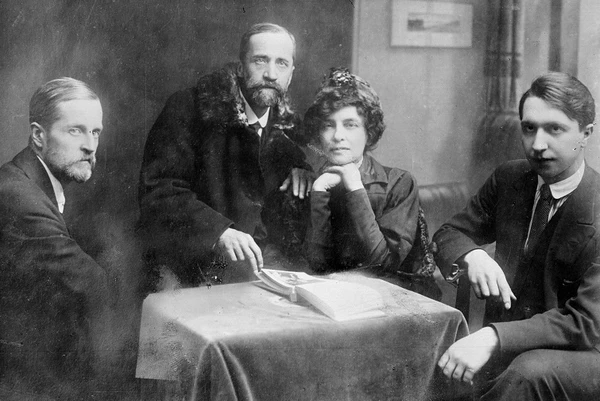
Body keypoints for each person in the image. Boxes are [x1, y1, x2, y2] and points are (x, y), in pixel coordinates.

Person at [435, 72, 600, 400]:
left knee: (526, 373)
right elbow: (448, 233)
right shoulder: (509, 178)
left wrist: (493, 337)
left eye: (555, 129)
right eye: (529, 128)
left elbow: (586, 322)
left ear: (586, 133)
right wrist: (473, 255)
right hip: (510, 346)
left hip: (583, 353)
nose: (538, 145)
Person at [138, 23, 312, 290]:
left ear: (291, 74)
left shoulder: (287, 133)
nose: (271, 74)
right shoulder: (190, 108)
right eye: (260, 60)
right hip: (194, 270)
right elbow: (159, 191)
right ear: (241, 67)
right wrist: (218, 231)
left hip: (259, 274)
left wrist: (304, 169)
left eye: (282, 63)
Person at [0, 78, 108, 399]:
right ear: (38, 136)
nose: (90, 146)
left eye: (95, 132)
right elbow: (92, 286)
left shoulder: (30, 181)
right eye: (75, 130)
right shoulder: (19, 197)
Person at [303, 68, 439, 299]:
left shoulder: (399, 183)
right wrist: (318, 191)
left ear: (369, 132)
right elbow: (316, 266)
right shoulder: (313, 183)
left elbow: (382, 266)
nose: (338, 136)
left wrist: (355, 188)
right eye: (328, 125)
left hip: (392, 302)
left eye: (350, 125)